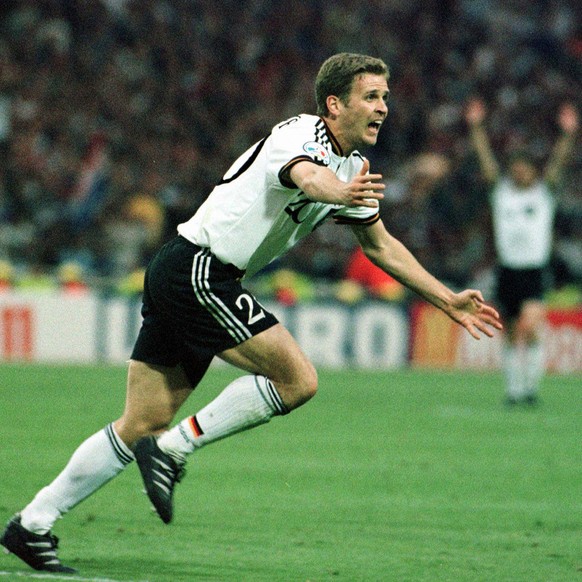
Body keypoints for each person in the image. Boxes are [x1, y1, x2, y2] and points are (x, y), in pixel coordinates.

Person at [1, 53, 502, 574]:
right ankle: (173, 449)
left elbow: (380, 246)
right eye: (371, 97)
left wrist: (446, 299)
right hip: (199, 270)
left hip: (187, 271)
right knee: (297, 379)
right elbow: (309, 180)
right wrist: (340, 191)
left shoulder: (353, 168)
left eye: (385, 98)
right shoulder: (300, 137)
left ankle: (31, 525)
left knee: (140, 421)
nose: (383, 108)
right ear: (335, 104)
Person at [465, 98, 578, 405]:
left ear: (531, 171)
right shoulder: (501, 194)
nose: (518, 173)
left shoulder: (544, 194)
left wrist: (568, 134)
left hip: (534, 270)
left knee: (530, 327)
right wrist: (475, 127)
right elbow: (486, 162)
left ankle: (529, 388)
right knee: (512, 332)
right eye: (514, 169)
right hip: (508, 270)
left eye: (523, 169)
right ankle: (516, 391)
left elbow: (558, 164)